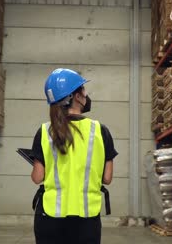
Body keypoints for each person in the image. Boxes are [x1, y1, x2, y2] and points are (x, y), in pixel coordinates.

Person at [30, 68, 118, 244]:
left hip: (50, 217)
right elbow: (107, 178)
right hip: (86, 220)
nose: (86, 95)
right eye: (83, 90)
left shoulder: (45, 131)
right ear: (77, 97)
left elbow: (37, 177)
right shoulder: (100, 131)